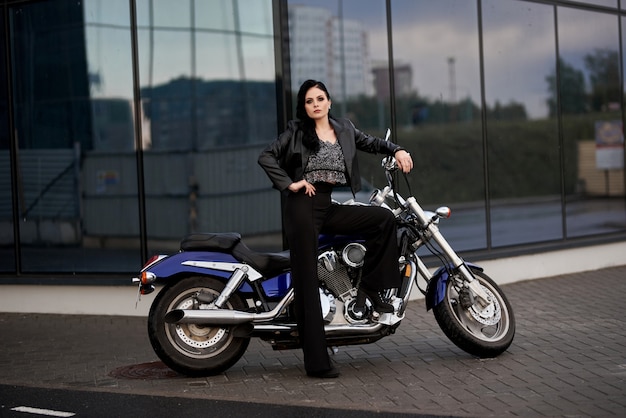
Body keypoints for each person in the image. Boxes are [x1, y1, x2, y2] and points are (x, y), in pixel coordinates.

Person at [258, 79, 413, 379]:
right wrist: (290, 183)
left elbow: (372, 143)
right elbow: (266, 156)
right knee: (305, 280)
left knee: (382, 220)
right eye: (308, 101)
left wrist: (398, 150)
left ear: (329, 102)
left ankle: (368, 290)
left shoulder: (344, 129)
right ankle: (316, 363)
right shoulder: (296, 132)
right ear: (304, 107)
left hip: (327, 205)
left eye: (320, 98)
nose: (315, 104)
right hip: (302, 206)